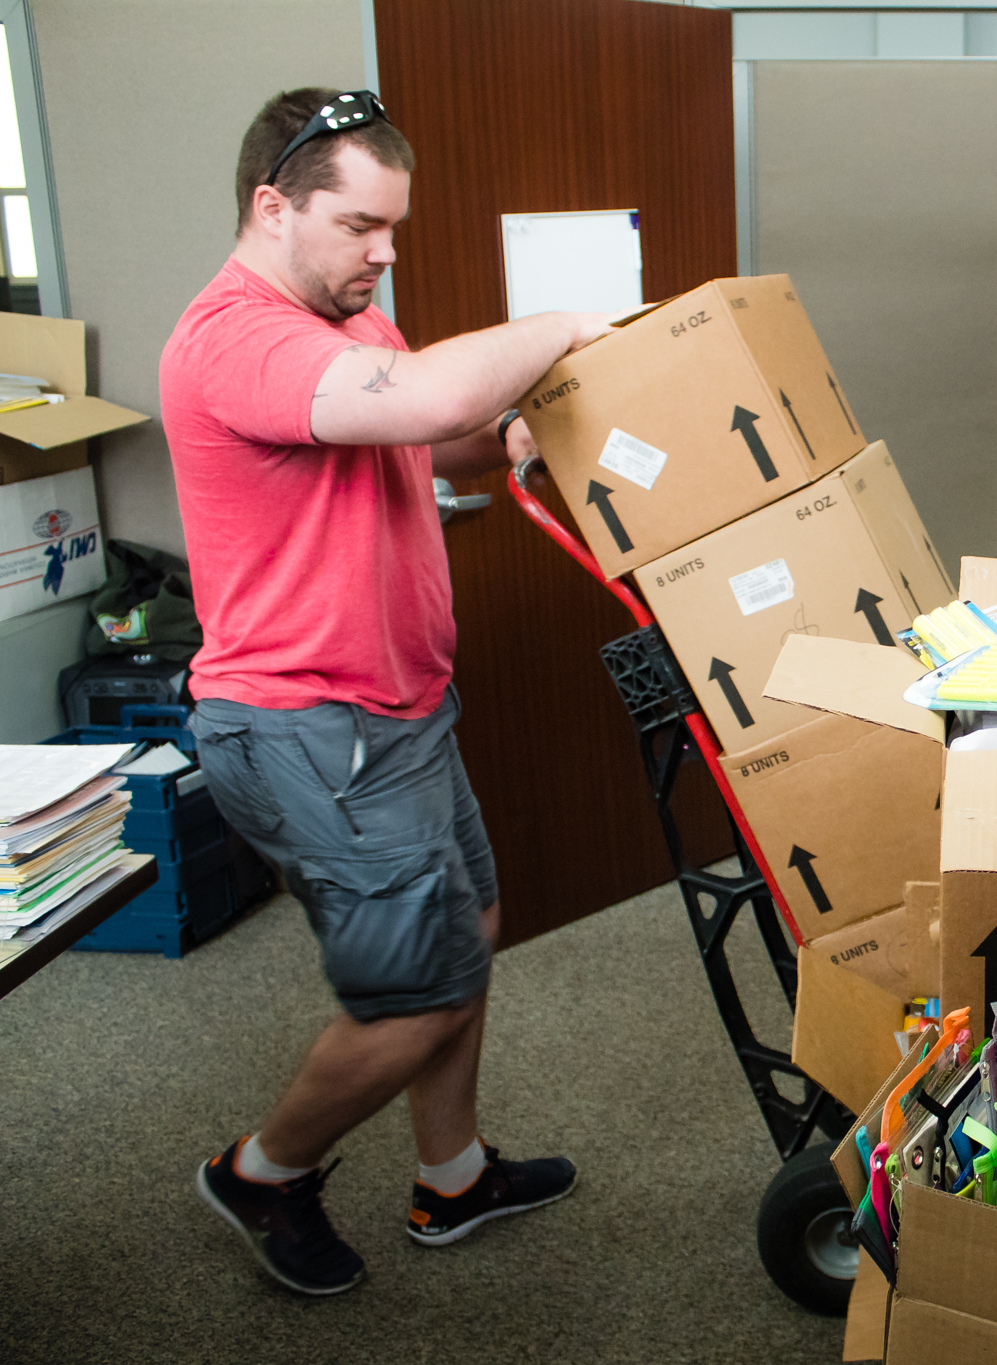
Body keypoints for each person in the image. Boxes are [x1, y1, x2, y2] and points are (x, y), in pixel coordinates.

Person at [160, 87, 614, 1297]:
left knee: (467, 935)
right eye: (363, 226)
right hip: (309, 728)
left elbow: (429, 436)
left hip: (399, 708)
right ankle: (264, 1171)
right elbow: (426, 403)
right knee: (418, 994)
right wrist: (570, 324)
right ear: (274, 206)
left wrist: (513, 429)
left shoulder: (351, 324)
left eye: (393, 229)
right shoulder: (235, 337)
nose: (386, 252)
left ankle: (451, 1175)